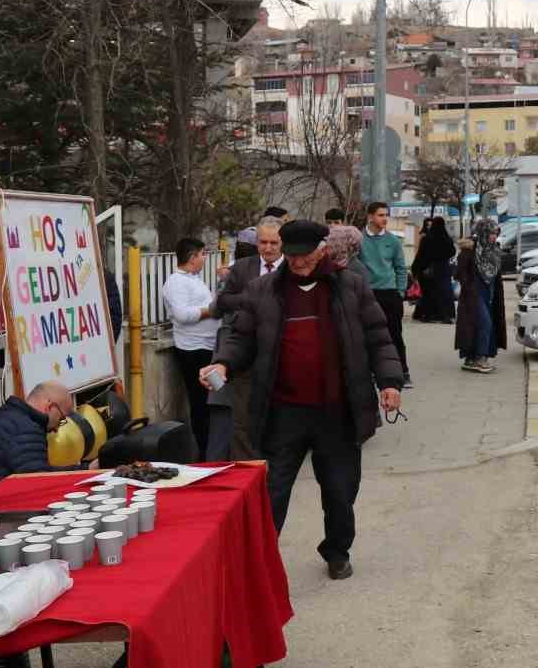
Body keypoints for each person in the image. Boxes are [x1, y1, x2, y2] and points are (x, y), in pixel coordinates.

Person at [202, 221, 404, 581]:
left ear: (321, 250)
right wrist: (223, 362)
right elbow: (241, 337)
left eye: (305, 256)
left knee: (340, 491)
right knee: (272, 492)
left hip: (337, 412)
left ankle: (337, 551)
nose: (298, 263)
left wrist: (389, 381)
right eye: (292, 256)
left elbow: (378, 335)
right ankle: (260, 563)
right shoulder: (262, 290)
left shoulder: (350, 285)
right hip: (284, 412)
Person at [212, 218, 284, 459]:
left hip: (281, 360)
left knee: (278, 423)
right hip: (245, 357)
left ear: (282, 243)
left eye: (274, 242)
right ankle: (246, 471)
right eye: (263, 242)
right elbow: (223, 301)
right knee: (242, 422)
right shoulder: (243, 267)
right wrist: (253, 299)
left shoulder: (292, 269)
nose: (268, 248)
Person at [163, 238, 222, 460]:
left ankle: (212, 448)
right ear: (192, 257)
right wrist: (212, 310)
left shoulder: (193, 279)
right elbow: (183, 314)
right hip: (193, 350)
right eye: (202, 254)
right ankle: (204, 452)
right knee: (200, 402)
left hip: (208, 347)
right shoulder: (176, 283)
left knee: (211, 400)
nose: (205, 258)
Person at [0, 382, 77, 487]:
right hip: (1, 498)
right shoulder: (28, 428)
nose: (57, 429)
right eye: (61, 419)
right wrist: (81, 472)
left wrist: (80, 469)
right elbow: (39, 481)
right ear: (49, 406)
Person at [358, 202, 413, 389]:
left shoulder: (393, 241)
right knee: (367, 336)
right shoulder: (359, 240)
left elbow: (400, 268)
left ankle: (402, 372)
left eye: (386, 215)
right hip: (368, 294)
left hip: (390, 295)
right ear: (370, 216)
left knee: (394, 334)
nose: (385, 219)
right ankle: (372, 372)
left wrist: (400, 292)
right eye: (381, 215)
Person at [454, 219, 506, 373]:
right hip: (474, 295)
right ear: (483, 232)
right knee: (485, 323)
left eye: (496, 233)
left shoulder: (494, 249)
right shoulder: (470, 250)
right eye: (491, 233)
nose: (494, 236)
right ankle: (480, 358)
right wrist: (468, 285)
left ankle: (471, 359)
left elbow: (496, 274)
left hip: (490, 294)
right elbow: (458, 272)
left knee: (480, 325)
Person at [411, 216, 457, 323]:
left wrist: (415, 269)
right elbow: (452, 252)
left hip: (429, 270)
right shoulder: (447, 239)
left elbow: (421, 255)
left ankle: (428, 315)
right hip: (443, 269)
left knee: (429, 293)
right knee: (444, 292)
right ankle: (446, 315)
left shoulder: (426, 239)